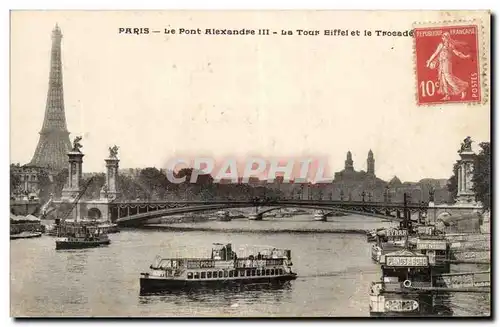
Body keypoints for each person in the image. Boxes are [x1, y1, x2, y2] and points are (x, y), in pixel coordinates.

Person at [426, 32, 471, 100]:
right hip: (441, 64)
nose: (443, 38)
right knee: (443, 79)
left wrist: (465, 56)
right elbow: (435, 53)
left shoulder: (450, 45)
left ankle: (462, 89)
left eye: (444, 37)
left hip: (447, 64)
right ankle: (447, 95)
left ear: (447, 37)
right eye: (442, 37)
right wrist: (429, 61)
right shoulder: (441, 45)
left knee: (448, 78)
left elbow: (457, 53)